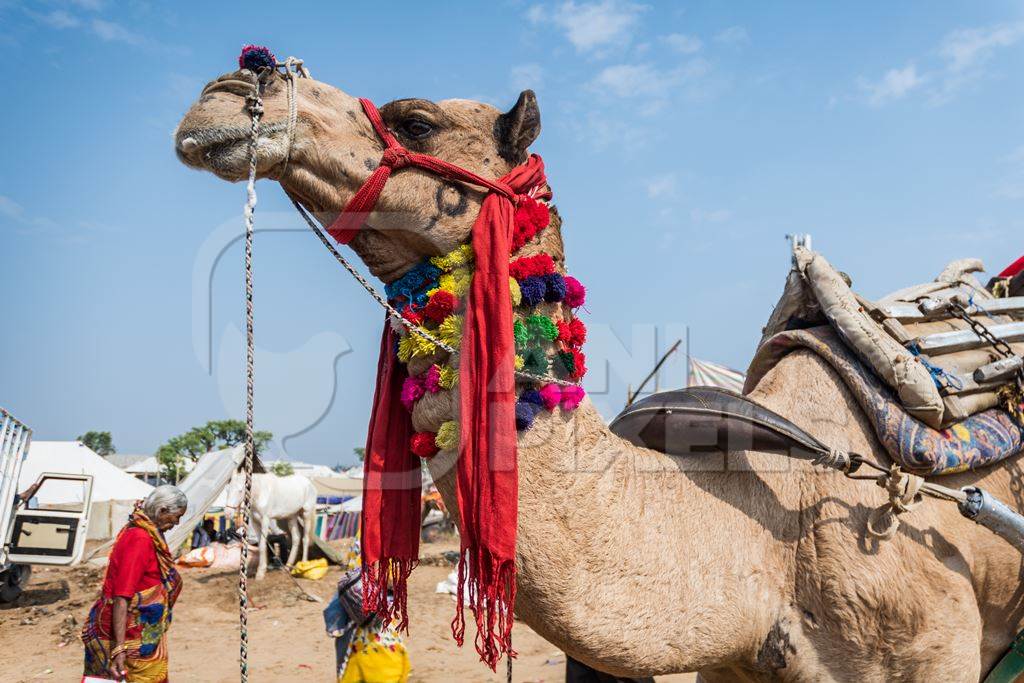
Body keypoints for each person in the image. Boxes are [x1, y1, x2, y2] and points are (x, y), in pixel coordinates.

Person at [81, 485, 187, 682]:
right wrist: (119, 649)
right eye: (176, 517)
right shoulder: (139, 538)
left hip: (142, 634)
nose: (177, 523)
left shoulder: (149, 532)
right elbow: (122, 595)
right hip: (128, 635)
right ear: (162, 510)